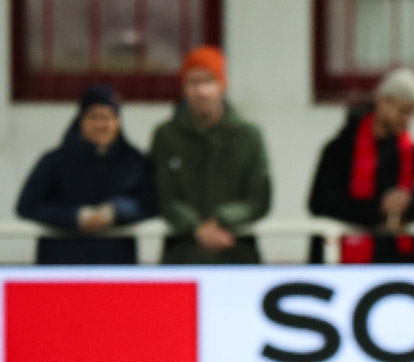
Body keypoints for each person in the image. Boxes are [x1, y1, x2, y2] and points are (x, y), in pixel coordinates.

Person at [150, 45, 271, 264]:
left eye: (208, 81)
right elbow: (162, 193)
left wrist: (223, 219)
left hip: (236, 249)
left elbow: (259, 197)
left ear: (222, 86)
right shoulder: (166, 136)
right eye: (193, 82)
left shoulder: (247, 136)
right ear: (184, 88)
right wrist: (195, 227)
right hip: (182, 252)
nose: (201, 91)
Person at [308, 68, 414, 263]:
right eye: (403, 110)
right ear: (382, 101)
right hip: (345, 262)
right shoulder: (341, 148)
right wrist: (378, 208)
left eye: (413, 113)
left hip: (398, 261)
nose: (408, 119)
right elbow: (319, 202)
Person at [16, 85, 155, 264]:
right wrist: (76, 216)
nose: (101, 125)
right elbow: (27, 205)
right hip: (62, 265)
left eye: (108, 117)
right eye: (94, 117)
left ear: (118, 121)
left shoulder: (134, 162)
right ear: (80, 120)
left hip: (116, 267)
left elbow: (150, 203)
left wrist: (115, 211)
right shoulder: (55, 161)